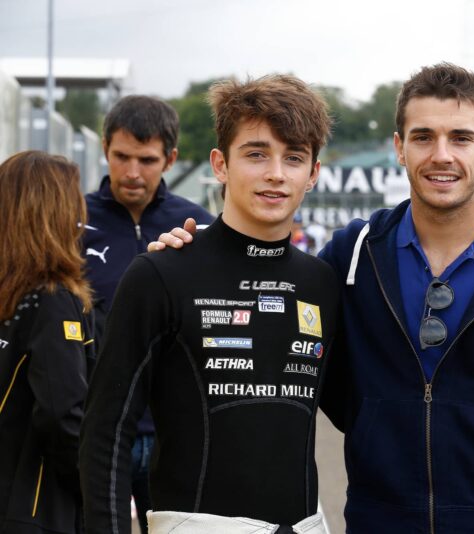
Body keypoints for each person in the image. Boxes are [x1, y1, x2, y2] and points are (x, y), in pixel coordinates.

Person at [152, 63, 474, 533]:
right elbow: (271, 290)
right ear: (399, 148)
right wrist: (189, 258)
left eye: (461, 138)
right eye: (423, 137)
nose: (441, 155)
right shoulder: (352, 255)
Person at [80, 76, 338, 534]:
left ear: (313, 173)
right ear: (220, 164)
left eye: (294, 157)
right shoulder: (160, 273)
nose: (276, 173)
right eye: (256, 153)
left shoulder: (321, 282)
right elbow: (106, 434)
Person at [82, 95, 214, 533]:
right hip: (96, 435)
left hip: (171, 437)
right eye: (121, 156)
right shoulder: (71, 220)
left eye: (147, 159)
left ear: (171, 158)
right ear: (105, 149)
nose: (132, 172)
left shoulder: (197, 225)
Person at [0, 151, 95, 534]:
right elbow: (61, 415)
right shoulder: (53, 300)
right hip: (35, 512)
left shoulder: (14, 295)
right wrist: (95, 487)